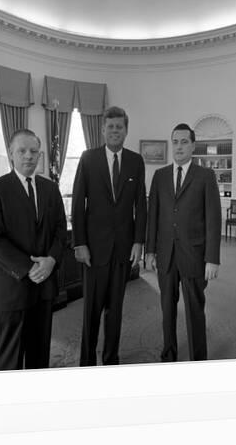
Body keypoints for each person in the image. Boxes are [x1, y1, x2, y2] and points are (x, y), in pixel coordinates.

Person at [0, 129, 67, 370]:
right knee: (11, 359)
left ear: (40, 155)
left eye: (33, 151)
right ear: (11, 153)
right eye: (22, 151)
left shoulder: (51, 189)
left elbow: (61, 230)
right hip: (13, 288)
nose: (28, 156)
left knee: (40, 356)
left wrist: (51, 260)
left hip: (45, 286)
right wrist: (29, 268)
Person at [72, 106, 147, 366]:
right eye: (110, 126)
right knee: (91, 311)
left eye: (120, 127)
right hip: (93, 250)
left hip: (123, 249)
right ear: (103, 129)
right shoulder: (88, 158)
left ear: (126, 130)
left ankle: (111, 359)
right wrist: (79, 243)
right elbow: (78, 204)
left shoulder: (136, 161)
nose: (115, 131)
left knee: (115, 310)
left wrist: (139, 241)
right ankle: (87, 362)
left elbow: (141, 204)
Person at [145, 123, 221, 362]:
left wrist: (212, 258)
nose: (179, 146)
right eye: (175, 142)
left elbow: (213, 219)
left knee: (195, 311)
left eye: (184, 142)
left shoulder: (206, 176)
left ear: (193, 145)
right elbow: (153, 216)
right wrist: (150, 251)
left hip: (194, 256)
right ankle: (169, 354)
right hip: (165, 255)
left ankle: (198, 359)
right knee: (167, 310)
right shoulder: (159, 176)